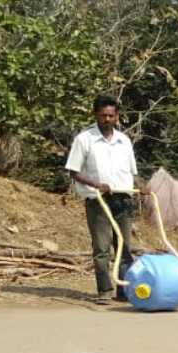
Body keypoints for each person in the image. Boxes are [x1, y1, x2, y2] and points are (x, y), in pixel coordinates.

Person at [65, 95, 142, 305]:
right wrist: (96, 184)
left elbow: (132, 171)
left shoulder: (123, 140)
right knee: (101, 248)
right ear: (96, 115)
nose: (107, 119)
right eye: (103, 115)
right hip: (98, 200)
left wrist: (141, 187)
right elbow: (73, 171)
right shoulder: (84, 139)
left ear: (117, 116)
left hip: (123, 198)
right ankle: (104, 291)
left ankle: (124, 291)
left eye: (110, 115)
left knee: (124, 247)